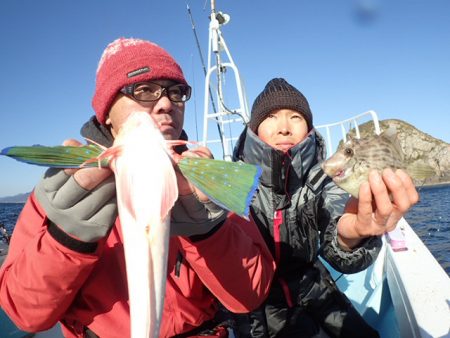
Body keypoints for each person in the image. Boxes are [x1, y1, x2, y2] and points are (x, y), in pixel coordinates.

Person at [0, 38, 275, 338]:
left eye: (177, 92)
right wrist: (66, 239)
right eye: (143, 90)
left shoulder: (202, 186)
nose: (166, 103)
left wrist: (209, 231)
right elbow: (25, 314)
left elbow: (251, 294)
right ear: (106, 112)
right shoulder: (65, 189)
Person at [231, 78, 419, 337]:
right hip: (256, 303)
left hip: (313, 284)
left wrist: (352, 233)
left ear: (308, 127)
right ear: (254, 129)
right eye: (271, 116)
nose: (284, 127)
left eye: (295, 116)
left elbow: (337, 213)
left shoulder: (324, 178)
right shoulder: (233, 182)